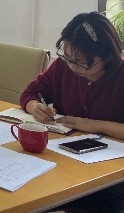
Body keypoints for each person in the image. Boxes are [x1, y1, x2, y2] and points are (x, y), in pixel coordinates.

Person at [21, 12, 124, 212]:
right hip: (64, 163)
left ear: (108, 55)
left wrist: (95, 125)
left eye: (81, 61)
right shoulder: (62, 67)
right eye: (68, 58)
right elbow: (30, 93)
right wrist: (35, 107)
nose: (72, 66)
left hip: (111, 176)